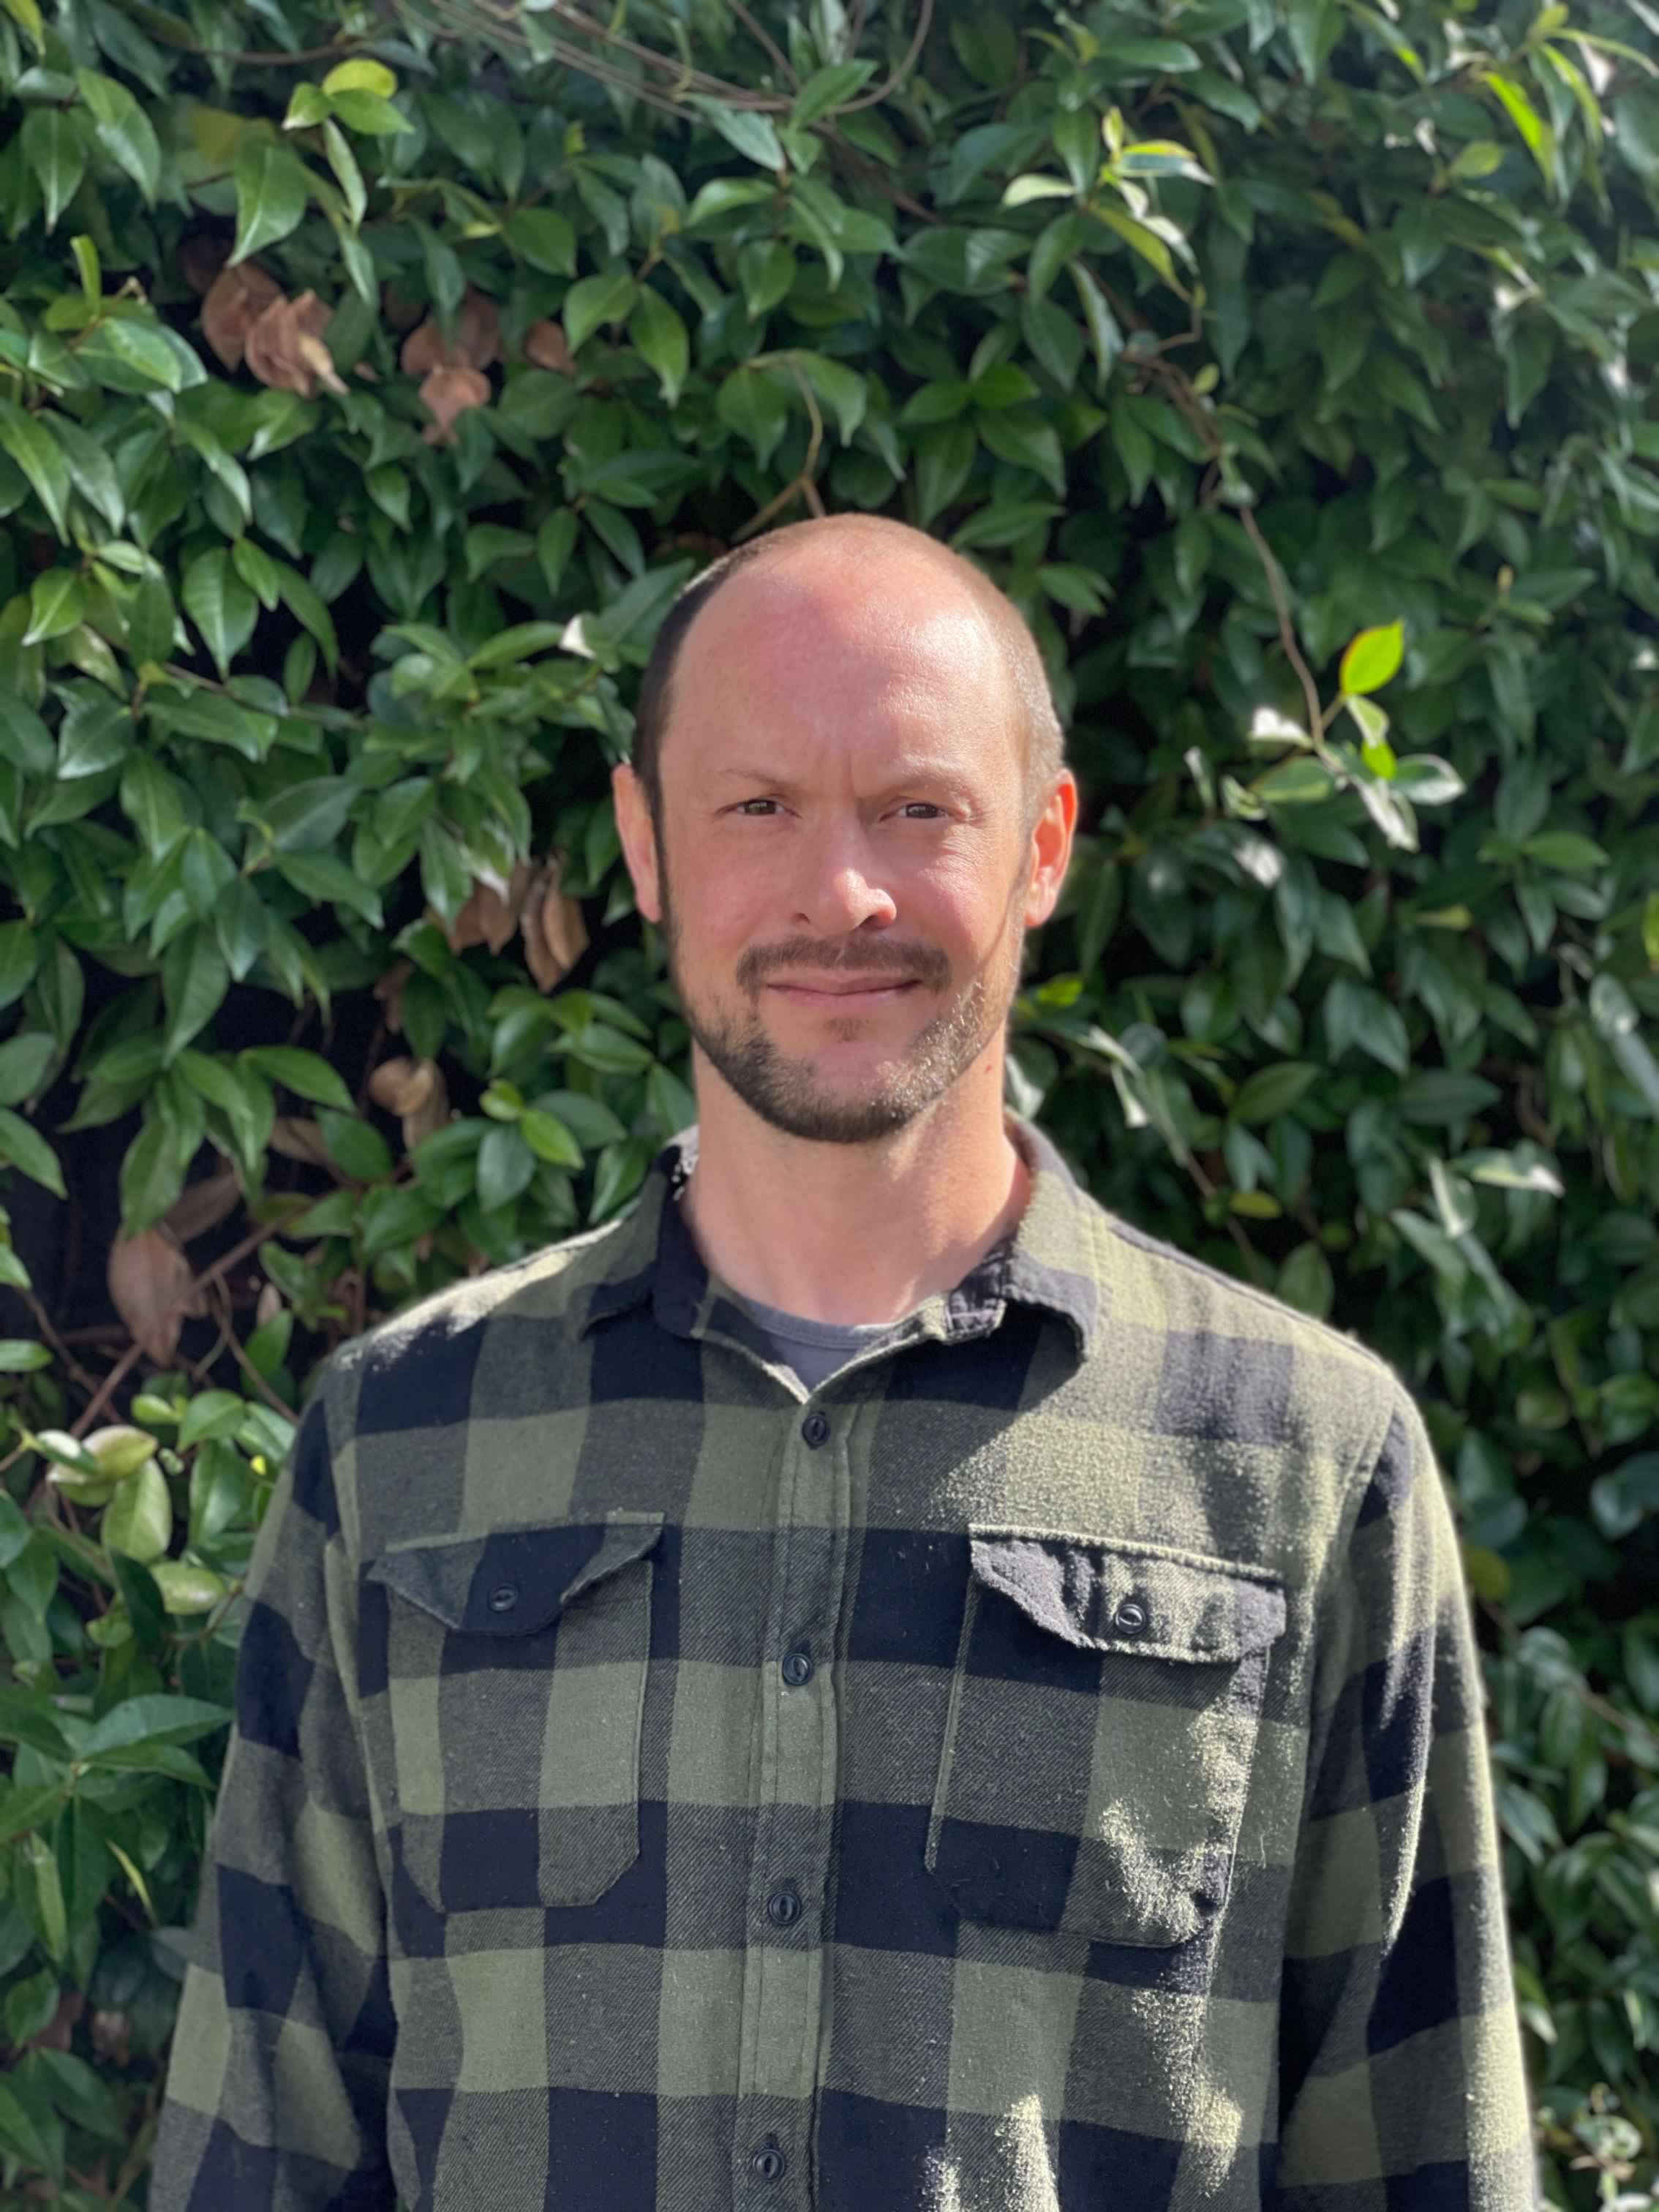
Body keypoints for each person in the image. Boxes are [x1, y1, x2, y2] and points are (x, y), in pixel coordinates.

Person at [149, 514, 1534, 2210]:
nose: (844, 893)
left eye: (919, 808)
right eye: (759, 808)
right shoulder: (403, 1446)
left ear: (1042, 846)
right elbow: (262, 2152)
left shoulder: (1303, 1462)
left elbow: (1422, 2160)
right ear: (646, 847)